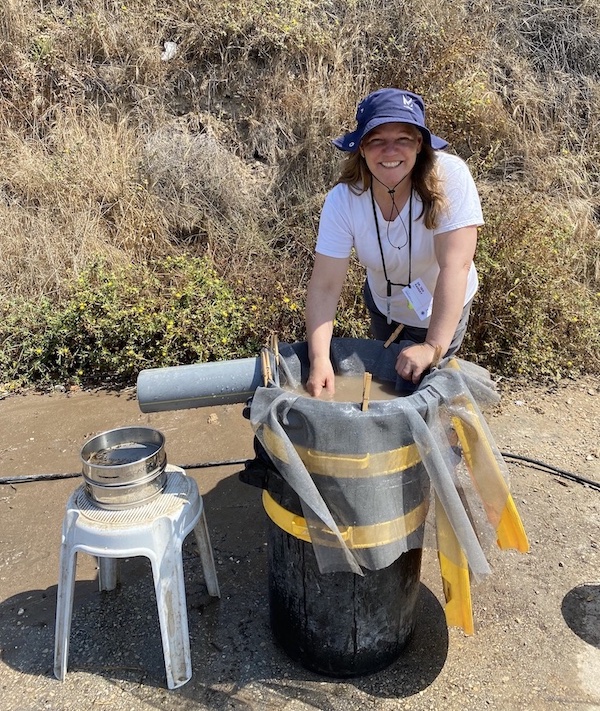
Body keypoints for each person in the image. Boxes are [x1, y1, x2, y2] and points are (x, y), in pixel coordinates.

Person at [305, 88, 484, 397]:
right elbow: (325, 285)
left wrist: (431, 346)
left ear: (419, 144)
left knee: (423, 392)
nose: (390, 152)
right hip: (384, 305)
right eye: (376, 141)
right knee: (388, 386)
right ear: (360, 148)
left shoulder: (450, 178)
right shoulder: (343, 200)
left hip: (441, 307)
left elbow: (456, 266)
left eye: (402, 139)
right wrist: (319, 359)